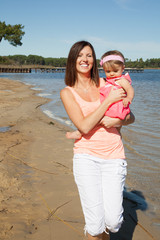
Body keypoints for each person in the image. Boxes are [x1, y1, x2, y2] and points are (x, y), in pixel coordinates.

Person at [60, 40, 135, 240]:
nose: (85, 59)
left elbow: (130, 117)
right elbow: (83, 126)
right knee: (95, 225)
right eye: (80, 55)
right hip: (86, 157)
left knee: (113, 222)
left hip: (114, 155)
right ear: (72, 60)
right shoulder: (67, 93)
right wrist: (108, 103)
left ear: (95, 60)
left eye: (89, 55)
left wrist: (119, 119)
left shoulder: (107, 82)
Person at [66, 50, 134, 140]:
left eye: (115, 71)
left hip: (117, 109)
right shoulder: (107, 81)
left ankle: (79, 132)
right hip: (113, 109)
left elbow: (130, 90)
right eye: (108, 71)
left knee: (98, 120)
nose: (112, 74)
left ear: (123, 68)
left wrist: (128, 98)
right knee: (98, 120)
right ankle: (117, 134)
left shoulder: (121, 80)